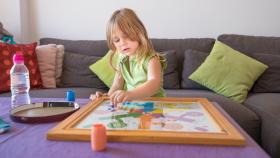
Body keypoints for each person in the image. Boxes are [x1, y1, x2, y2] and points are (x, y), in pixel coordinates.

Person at [90, 8, 166, 106]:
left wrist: (131, 94)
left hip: (154, 107)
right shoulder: (122, 60)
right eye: (117, 40)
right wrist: (106, 97)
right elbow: (117, 85)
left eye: (126, 36)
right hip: (133, 107)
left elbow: (154, 83)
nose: (122, 43)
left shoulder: (151, 59)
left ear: (139, 32)